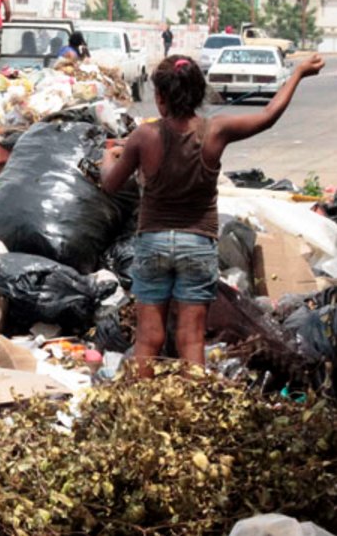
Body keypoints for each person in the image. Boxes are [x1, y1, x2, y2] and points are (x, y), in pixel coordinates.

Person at [100, 53, 325, 378]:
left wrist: (109, 157)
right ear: (199, 94)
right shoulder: (216, 131)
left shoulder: (144, 136)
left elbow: (110, 184)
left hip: (153, 243)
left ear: (160, 98)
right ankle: (193, 414)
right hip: (197, 243)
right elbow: (269, 115)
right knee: (191, 338)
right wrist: (298, 73)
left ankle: (143, 411)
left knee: (149, 337)